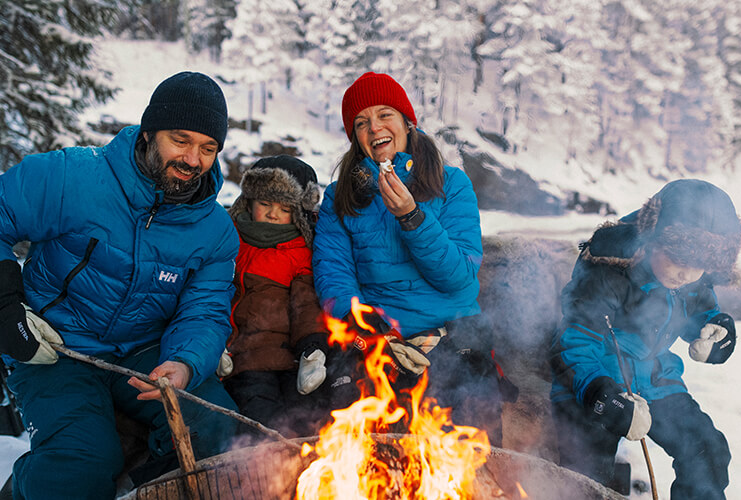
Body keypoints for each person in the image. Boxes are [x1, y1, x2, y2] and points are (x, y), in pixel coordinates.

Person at [0, 71, 240, 499]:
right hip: (55, 346)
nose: (192, 159)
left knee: (225, 436)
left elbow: (204, 310)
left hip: (146, 350)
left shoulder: (215, 231)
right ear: (149, 132)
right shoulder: (72, 177)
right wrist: (7, 310)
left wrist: (185, 363)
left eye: (208, 148)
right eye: (180, 140)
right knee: (80, 463)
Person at [311, 71, 505, 445]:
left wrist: (412, 216)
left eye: (385, 114)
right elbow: (335, 277)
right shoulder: (340, 197)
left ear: (407, 122)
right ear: (355, 139)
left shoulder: (452, 183)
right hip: (378, 338)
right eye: (362, 123)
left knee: (471, 449)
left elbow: (461, 280)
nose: (375, 128)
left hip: (453, 334)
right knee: (362, 447)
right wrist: (372, 334)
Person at [549, 179, 741, 498]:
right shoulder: (606, 273)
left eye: (698, 266)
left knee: (707, 450)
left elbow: (701, 312)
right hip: (592, 384)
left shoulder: (690, 280)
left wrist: (717, 329)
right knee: (587, 476)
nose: (685, 273)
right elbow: (572, 347)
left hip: (655, 378)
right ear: (652, 239)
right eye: (678, 258)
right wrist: (606, 399)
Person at [222, 155, 329, 438]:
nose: (273, 214)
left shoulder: (301, 251)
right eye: (265, 204)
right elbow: (218, 295)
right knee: (262, 421)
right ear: (249, 203)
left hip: (291, 359)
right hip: (245, 359)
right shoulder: (231, 242)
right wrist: (219, 343)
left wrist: (312, 347)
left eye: (284, 208)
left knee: (307, 421)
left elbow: (306, 306)